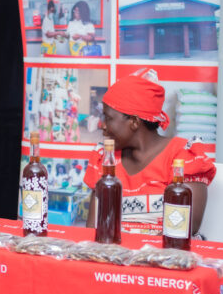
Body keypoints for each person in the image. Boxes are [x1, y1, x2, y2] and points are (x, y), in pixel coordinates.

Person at [85, 69, 216, 236]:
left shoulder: (183, 157)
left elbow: (185, 228)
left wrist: (138, 249)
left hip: (168, 251)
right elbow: (92, 229)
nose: (102, 125)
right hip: (116, 251)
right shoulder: (105, 160)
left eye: (108, 118)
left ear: (134, 121)